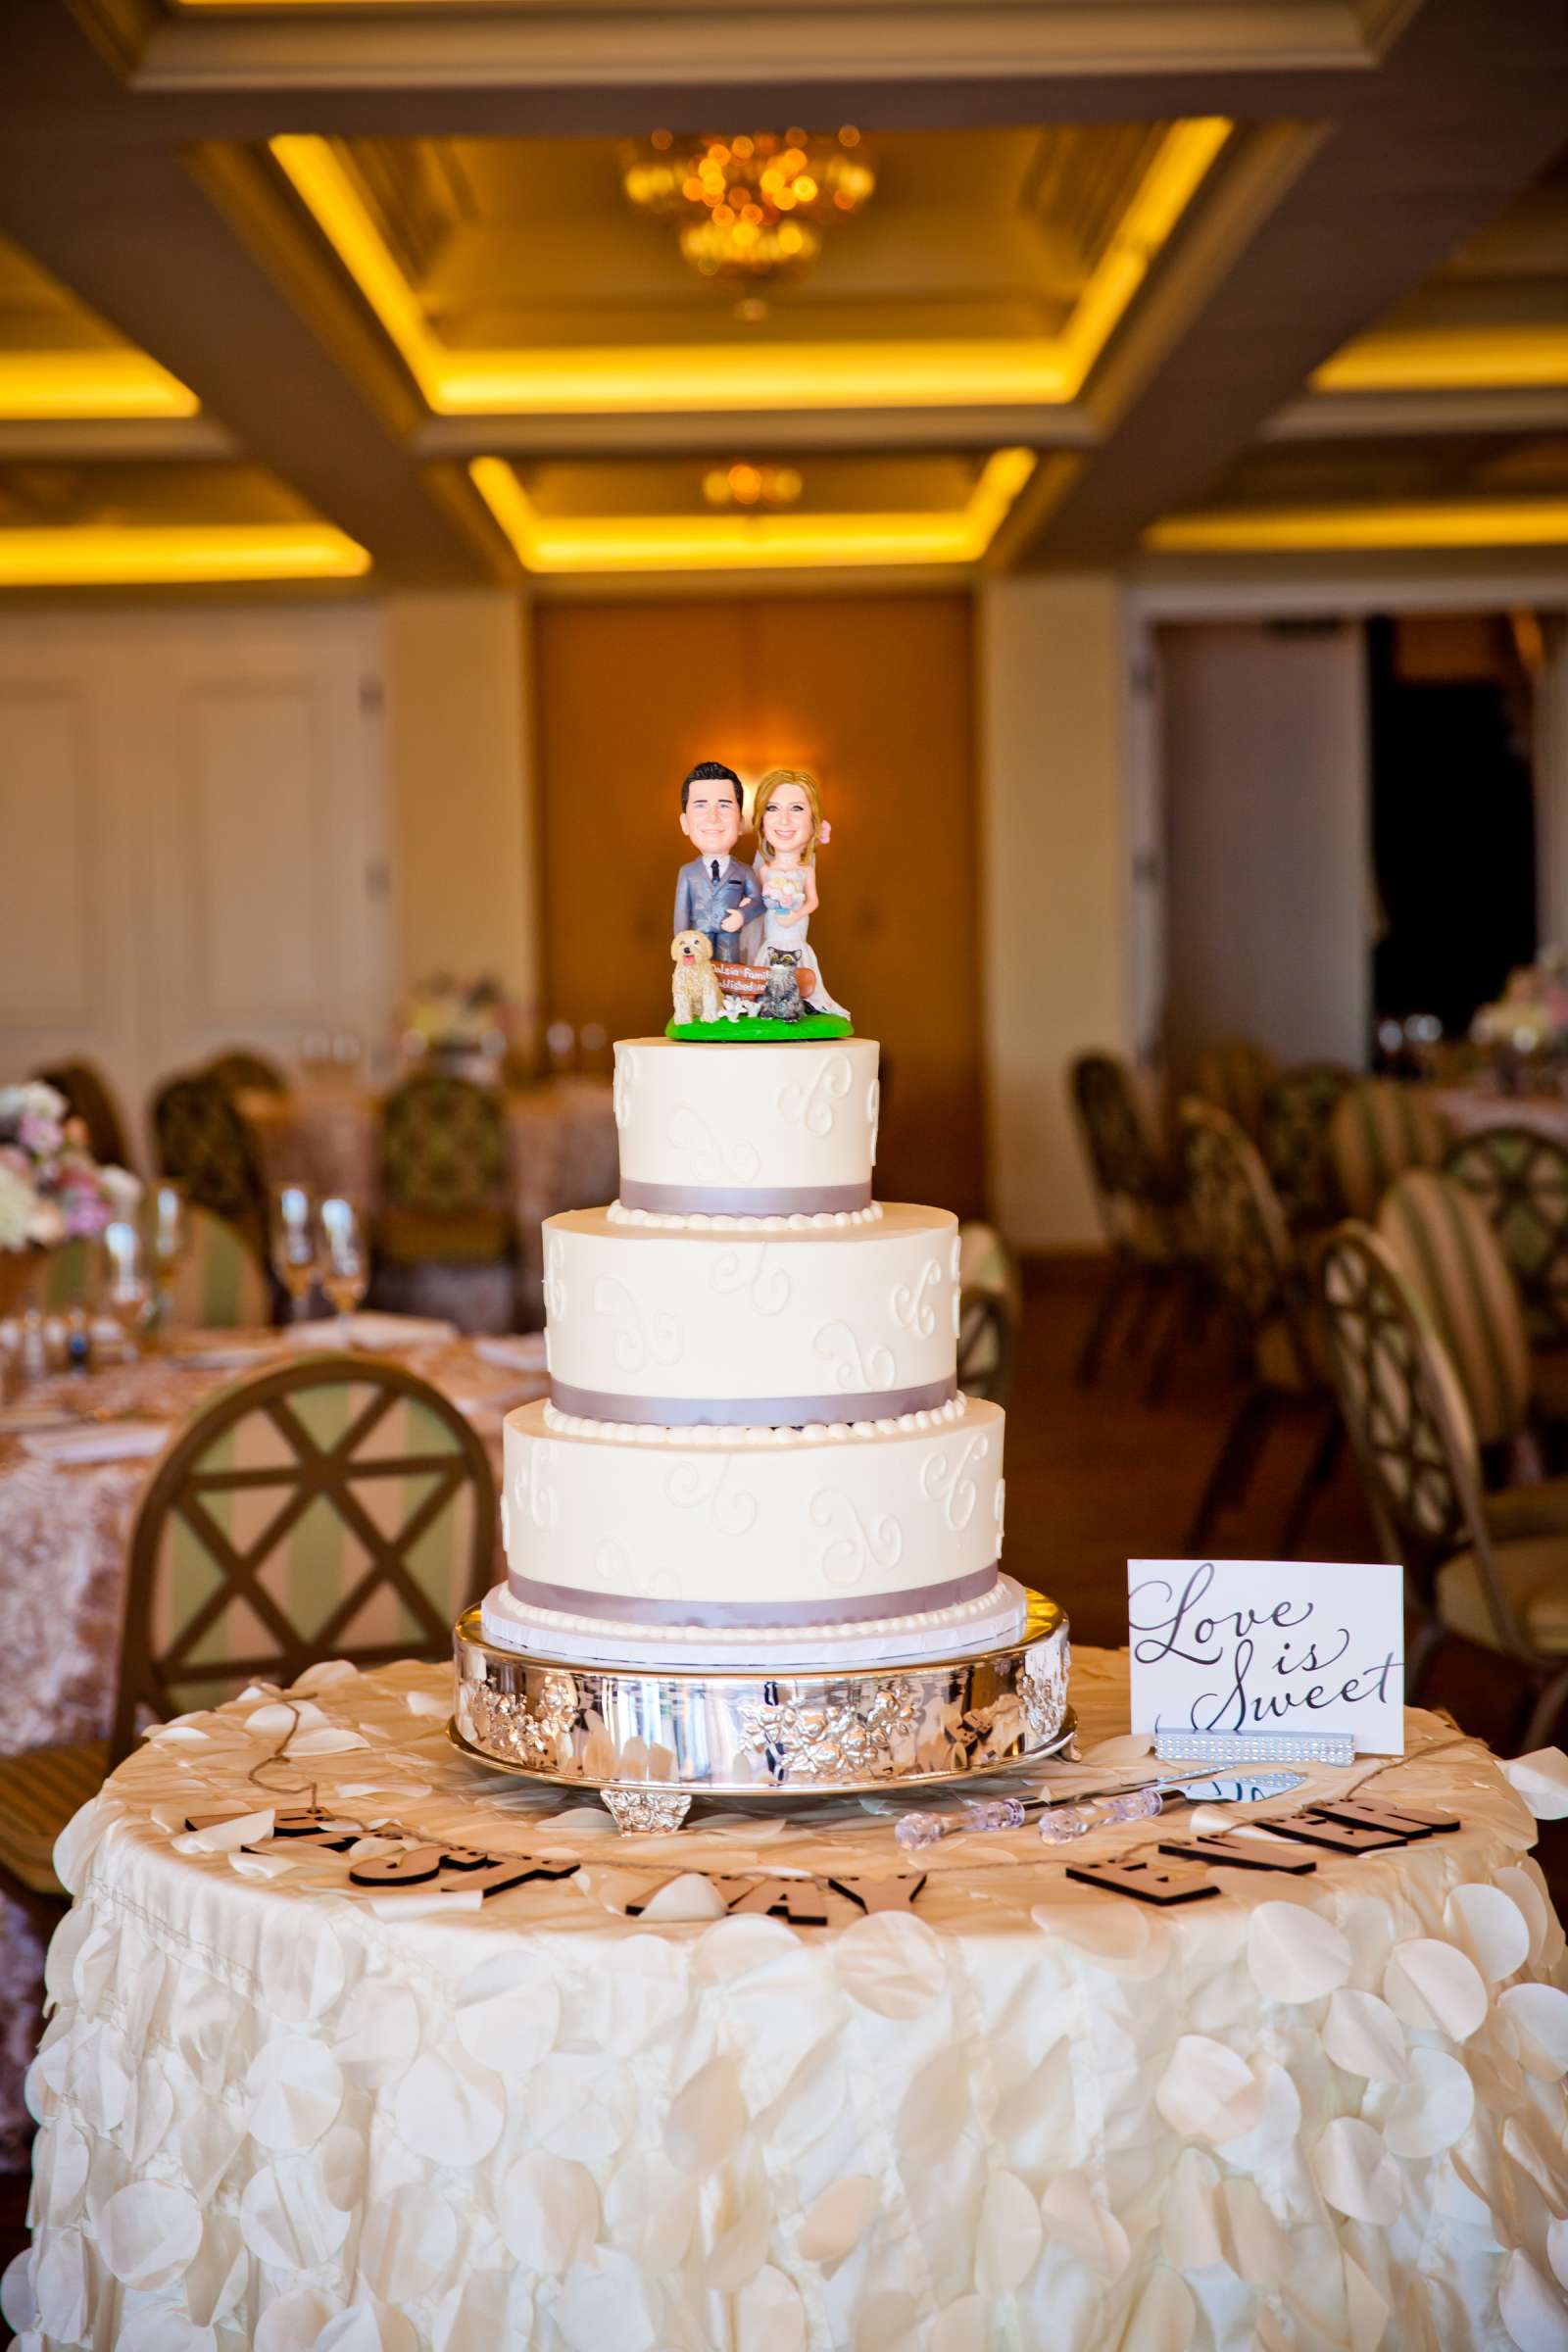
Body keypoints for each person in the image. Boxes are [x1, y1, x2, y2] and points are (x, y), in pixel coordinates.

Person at [752, 764, 850, 1021]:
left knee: (801, 975)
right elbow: (758, 903)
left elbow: (813, 901)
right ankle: (768, 1005)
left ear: (813, 821)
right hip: (773, 939)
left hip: (795, 937)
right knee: (767, 976)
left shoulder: (805, 871)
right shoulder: (765, 872)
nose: (784, 820)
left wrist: (794, 915)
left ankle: (803, 1005)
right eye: (773, 808)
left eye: (796, 808)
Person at [671, 760, 764, 965]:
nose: (713, 817)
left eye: (724, 805)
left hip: (729, 939)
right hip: (697, 942)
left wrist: (742, 915)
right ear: (685, 823)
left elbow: (759, 902)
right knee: (698, 982)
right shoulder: (688, 872)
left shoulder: (744, 872)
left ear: (740, 822)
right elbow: (681, 912)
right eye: (701, 806)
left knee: (728, 978)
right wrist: (681, 944)